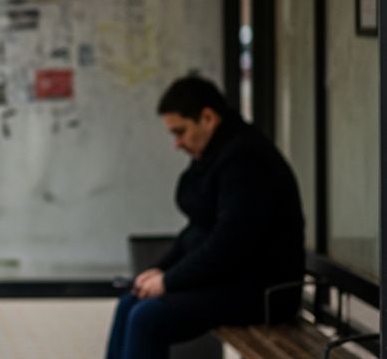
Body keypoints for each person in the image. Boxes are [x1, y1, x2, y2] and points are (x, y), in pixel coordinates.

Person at [106, 75, 305, 359]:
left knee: (147, 319)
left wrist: (169, 281)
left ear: (208, 118)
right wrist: (161, 271)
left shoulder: (245, 160)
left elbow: (228, 243)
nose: (177, 143)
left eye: (180, 132)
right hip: (234, 281)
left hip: (262, 292)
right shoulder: (216, 154)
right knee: (131, 303)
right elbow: (197, 230)